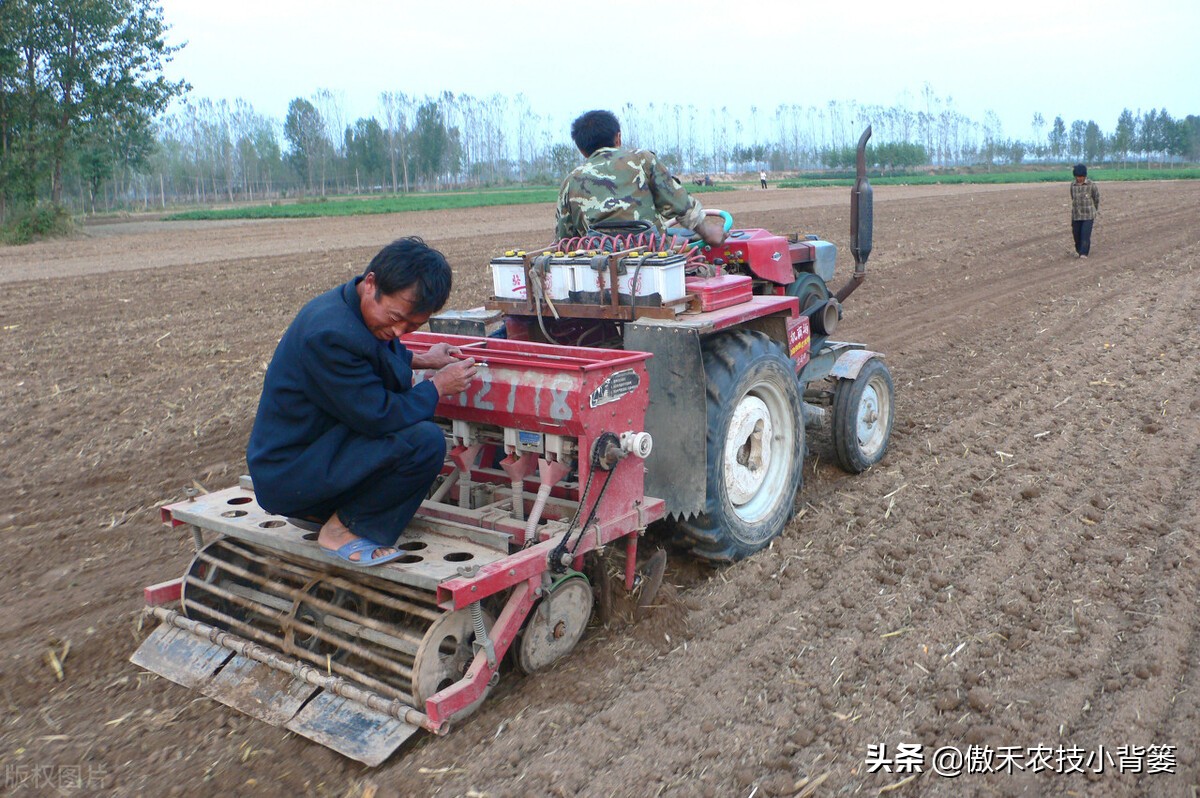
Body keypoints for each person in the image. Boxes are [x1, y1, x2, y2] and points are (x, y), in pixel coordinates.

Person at [247, 237, 476, 566]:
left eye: (413, 325)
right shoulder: (330, 334)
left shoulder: (351, 310)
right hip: (290, 473)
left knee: (412, 431)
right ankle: (342, 530)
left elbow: (371, 357)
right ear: (371, 284)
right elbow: (380, 415)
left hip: (308, 455)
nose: (399, 331)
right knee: (423, 442)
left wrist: (424, 359)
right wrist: (438, 387)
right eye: (397, 317)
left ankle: (329, 513)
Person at [555, 110, 726, 246]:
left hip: (600, 266)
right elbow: (678, 203)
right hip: (652, 257)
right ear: (618, 137)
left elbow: (565, 239)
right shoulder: (642, 160)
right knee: (697, 257)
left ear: (582, 150)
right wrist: (707, 231)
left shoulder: (570, 181)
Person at [1070, 163, 1100, 259]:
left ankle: (1084, 253)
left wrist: (1094, 209)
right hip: (1076, 215)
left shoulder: (1091, 185)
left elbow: (1096, 198)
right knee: (1076, 235)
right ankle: (1079, 251)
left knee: (1085, 235)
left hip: (1088, 215)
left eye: (1082, 176)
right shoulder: (1072, 185)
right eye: (1078, 176)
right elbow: (1072, 197)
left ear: (1085, 175)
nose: (1080, 178)